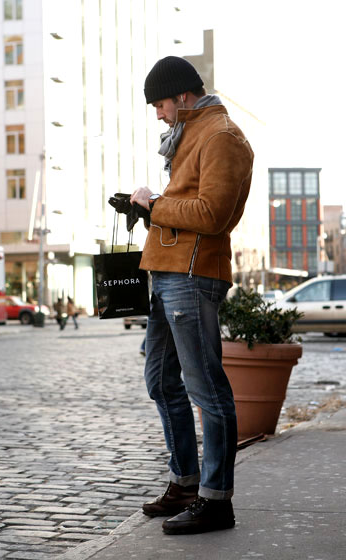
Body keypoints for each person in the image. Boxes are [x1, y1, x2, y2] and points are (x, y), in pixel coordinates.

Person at [130, 56, 254, 535]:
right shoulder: (191, 134)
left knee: (207, 390)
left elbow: (214, 213)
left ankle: (215, 500)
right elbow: (186, 205)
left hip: (193, 275)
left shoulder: (221, 135)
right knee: (162, 381)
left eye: (160, 104)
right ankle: (185, 483)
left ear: (182, 96)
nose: (158, 114)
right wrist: (145, 207)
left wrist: (156, 204)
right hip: (166, 270)